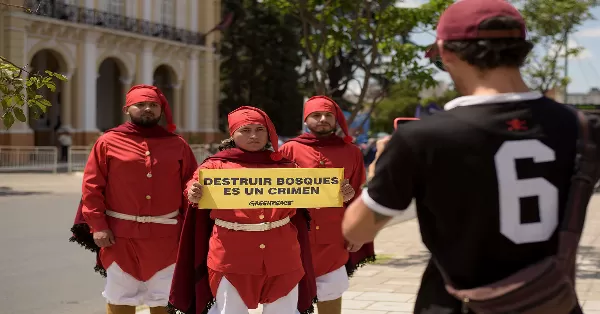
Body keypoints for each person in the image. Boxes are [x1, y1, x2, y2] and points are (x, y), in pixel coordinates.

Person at [341, 0, 596, 313]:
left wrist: (379, 169)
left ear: (446, 52)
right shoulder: (583, 126)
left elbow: (357, 230)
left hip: (458, 304)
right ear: (523, 51)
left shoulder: (422, 137)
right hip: (553, 301)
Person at [168, 106, 317, 314]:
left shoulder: (288, 168)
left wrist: (339, 194)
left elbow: (314, 194)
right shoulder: (214, 166)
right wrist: (193, 192)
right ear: (233, 134)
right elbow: (193, 186)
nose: (254, 136)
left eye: (259, 129)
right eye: (245, 130)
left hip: (283, 256)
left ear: (268, 133)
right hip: (231, 257)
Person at [69, 84, 198, 314]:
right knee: (120, 296)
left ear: (161, 110)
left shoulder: (178, 144)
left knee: (165, 298)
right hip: (119, 237)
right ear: (127, 108)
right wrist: (98, 226)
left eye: (153, 105)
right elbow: (92, 187)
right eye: (141, 104)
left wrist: (193, 189)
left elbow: (190, 179)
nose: (147, 109)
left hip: (166, 238)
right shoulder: (107, 142)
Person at [279, 96, 372, 314]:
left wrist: (356, 232)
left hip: (334, 239)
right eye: (316, 115)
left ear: (336, 119)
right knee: (290, 298)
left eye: (328, 115)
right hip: (295, 238)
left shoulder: (352, 152)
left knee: (331, 293)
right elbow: (276, 192)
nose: (323, 119)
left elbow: (358, 197)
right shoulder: (289, 150)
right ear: (306, 119)